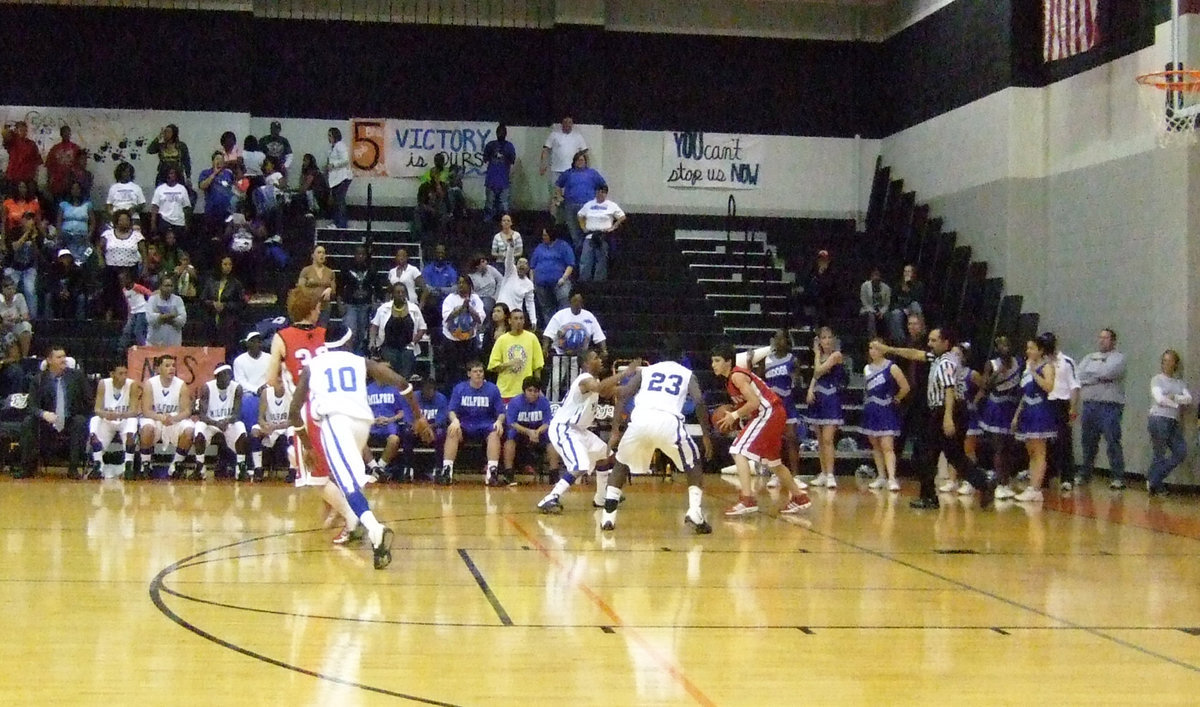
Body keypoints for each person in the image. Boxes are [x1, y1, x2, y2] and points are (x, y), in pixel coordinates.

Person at [290, 322, 431, 569]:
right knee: (352, 483)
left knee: (347, 485)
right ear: (349, 340)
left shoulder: (313, 366)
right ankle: (359, 524)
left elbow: (293, 412)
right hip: (361, 425)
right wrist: (418, 416)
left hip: (335, 421)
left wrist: (307, 445)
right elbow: (402, 383)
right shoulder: (361, 362)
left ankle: (375, 530)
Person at [883, 328, 995, 509]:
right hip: (946, 410)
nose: (929, 344)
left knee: (926, 454)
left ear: (946, 343)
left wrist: (948, 417)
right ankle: (984, 482)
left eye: (934, 341)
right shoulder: (938, 358)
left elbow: (949, 389)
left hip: (947, 410)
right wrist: (889, 349)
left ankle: (929, 496)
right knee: (954, 455)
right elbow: (914, 354)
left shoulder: (946, 363)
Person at [605, 358, 716, 533]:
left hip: (641, 419)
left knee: (621, 464)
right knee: (693, 464)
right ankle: (695, 511)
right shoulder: (687, 374)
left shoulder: (646, 371)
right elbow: (699, 401)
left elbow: (624, 395)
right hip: (668, 422)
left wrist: (615, 431)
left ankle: (608, 518)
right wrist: (706, 435)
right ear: (681, 357)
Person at [711, 343, 812, 516]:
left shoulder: (737, 376)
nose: (713, 364)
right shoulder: (731, 380)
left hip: (769, 412)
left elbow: (754, 403)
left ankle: (747, 499)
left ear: (728, 362)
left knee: (737, 450)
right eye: (712, 361)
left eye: (717, 360)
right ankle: (799, 497)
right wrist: (739, 418)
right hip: (774, 413)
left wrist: (733, 416)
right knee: (773, 462)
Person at [536, 349, 628, 513]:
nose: (600, 360)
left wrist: (634, 385)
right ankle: (551, 497)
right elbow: (600, 388)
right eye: (595, 358)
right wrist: (625, 373)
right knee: (581, 465)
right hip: (564, 428)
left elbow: (609, 390)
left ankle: (601, 498)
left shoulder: (594, 380)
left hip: (578, 430)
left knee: (605, 457)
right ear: (586, 363)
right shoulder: (584, 379)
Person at [18, 345, 89, 479]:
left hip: (70, 419)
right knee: (28, 421)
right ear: (49, 360)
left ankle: (73, 468)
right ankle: (27, 467)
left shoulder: (77, 377)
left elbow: (88, 400)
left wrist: (78, 411)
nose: (64, 360)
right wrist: (43, 413)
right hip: (46, 420)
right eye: (59, 357)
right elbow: (31, 406)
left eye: (64, 356)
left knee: (80, 421)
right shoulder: (38, 379)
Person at [1076, 328, 1127, 489]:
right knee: (1088, 441)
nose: (1102, 340)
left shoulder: (1119, 358)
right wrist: (1096, 377)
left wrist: (1091, 377)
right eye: (1100, 337)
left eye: (1106, 338)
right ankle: (1085, 473)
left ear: (1113, 341)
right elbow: (1079, 375)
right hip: (1090, 404)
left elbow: (1109, 372)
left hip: (1110, 405)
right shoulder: (1089, 357)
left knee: (1112, 440)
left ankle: (1118, 476)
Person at [1010, 335, 1058, 503]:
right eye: (1027, 348)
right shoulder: (1028, 367)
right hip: (1028, 410)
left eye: (1032, 348)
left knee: (1039, 451)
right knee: (1031, 451)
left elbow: (1049, 387)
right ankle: (1032, 486)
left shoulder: (1047, 366)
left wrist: (1033, 373)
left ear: (1041, 350)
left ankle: (1036, 488)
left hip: (1040, 411)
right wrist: (1017, 415)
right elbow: (1024, 395)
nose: (1028, 351)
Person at [441, 361, 505, 485]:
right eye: (475, 371)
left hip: (485, 425)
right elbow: (451, 410)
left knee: (495, 432)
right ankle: (447, 470)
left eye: (481, 371)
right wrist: (454, 420)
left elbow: (501, 412)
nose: (478, 374)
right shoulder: (460, 388)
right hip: (465, 424)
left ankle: (492, 471)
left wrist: (499, 421)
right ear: (469, 374)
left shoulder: (492, 389)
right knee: (452, 430)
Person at [861, 338, 910, 492]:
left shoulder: (891, 366)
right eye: (870, 348)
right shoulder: (867, 368)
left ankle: (892, 478)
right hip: (871, 409)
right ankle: (881, 476)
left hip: (886, 409)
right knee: (875, 444)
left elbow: (905, 387)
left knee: (887, 446)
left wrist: (896, 398)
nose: (873, 351)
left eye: (876, 348)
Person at [137, 354, 196, 479]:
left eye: (173, 366)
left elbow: (186, 411)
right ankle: (146, 464)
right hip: (156, 418)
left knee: (189, 429)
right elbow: (146, 411)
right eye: (167, 366)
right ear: (158, 369)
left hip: (174, 419)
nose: (172, 368)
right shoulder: (150, 384)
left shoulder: (181, 385)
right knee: (147, 428)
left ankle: (176, 465)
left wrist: (173, 418)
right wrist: (161, 418)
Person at [978, 336, 1022, 499]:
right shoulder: (992, 364)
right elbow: (985, 386)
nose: (1005, 347)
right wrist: (998, 373)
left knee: (1010, 447)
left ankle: (1006, 480)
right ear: (997, 349)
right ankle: (999, 483)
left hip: (1012, 406)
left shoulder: (1018, 362)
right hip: (997, 406)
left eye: (1007, 344)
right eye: (1001, 345)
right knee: (999, 446)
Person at [542, 292, 607, 402]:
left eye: (579, 301)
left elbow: (599, 335)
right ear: (570, 301)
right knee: (555, 382)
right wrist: (545, 348)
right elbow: (548, 334)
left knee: (575, 383)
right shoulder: (560, 315)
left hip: (579, 358)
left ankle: (574, 404)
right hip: (561, 355)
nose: (577, 304)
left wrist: (604, 349)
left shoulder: (589, 316)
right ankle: (552, 403)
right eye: (575, 301)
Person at [760, 330, 805, 484]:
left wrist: (796, 379)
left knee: (792, 438)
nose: (779, 342)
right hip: (772, 405)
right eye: (776, 338)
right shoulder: (766, 360)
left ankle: (795, 476)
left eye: (782, 339)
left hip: (787, 403)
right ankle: (776, 474)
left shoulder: (793, 360)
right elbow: (760, 381)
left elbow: (798, 383)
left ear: (788, 341)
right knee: (775, 441)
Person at [1145, 349, 1191, 497]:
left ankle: (1153, 478)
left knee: (1180, 451)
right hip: (1158, 418)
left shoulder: (1179, 382)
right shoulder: (1157, 379)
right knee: (1159, 453)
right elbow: (1159, 399)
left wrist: (1174, 397)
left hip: (1173, 421)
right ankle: (1156, 485)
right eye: (1164, 360)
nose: (1166, 363)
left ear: (1175, 364)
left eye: (1169, 360)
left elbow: (1188, 398)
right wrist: (1176, 403)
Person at [805, 327, 846, 489]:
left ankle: (830, 474)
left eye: (829, 337)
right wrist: (809, 389)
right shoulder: (821, 356)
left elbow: (819, 370)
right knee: (821, 440)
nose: (827, 340)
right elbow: (815, 377)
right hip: (818, 399)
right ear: (819, 340)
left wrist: (816, 353)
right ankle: (823, 472)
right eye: (824, 338)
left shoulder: (836, 355)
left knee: (828, 439)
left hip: (831, 399)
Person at [194, 364, 248, 481]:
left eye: (229, 373)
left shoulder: (237, 388)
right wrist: (216, 423)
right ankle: (200, 466)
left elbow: (237, 413)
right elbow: (202, 415)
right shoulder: (207, 388)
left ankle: (240, 467)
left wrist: (227, 421)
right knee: (199, 429)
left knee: (241, 428)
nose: (228, 377)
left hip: (228, 423)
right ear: (217, 376)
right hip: (210, 423)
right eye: (224, 374)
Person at [88, 362, 141, 480]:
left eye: (126, 373)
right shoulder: (103, 384)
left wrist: (120, 414)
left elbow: (134, 411)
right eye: (120, 373)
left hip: (124, 419)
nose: (124, 376)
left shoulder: (132, 384)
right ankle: (98, 464)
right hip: (108, 420)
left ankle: (128, 465)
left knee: (132, 421)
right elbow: (97, 409)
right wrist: (106, 414)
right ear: (112, 374)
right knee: (94, 420)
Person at [502, 376, 556, 485]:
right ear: (524, 391)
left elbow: (548, 422)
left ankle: (554, 474)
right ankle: (508, 474)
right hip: (520, 431)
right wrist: (528, 432)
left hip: (538, 431)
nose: (533, 394)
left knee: (552, 443)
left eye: (535, 391)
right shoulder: (515, 402)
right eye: (529, 391)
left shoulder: (544, 402)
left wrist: (536, 432)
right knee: (509, 441)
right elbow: (511, 423)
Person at [1044, 332, 1081, 492]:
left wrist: (1073, 407)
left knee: (1064, 441)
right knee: (1044, 440)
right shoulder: (1042, 362)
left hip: (1061, 402)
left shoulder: (1067, 362)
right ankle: (1045, 474)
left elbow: (1074, 385)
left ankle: (1067, 477)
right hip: (1046, 403)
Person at [369, 282, 426, 378]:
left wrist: (413, 343)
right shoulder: (383, 308)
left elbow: (422, 328)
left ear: (406, 294)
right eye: (397, 292)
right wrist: (372, 341)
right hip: (388, 346)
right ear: (392, 294)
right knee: (391, 361)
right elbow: (374, 326)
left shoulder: (414, 308)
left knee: (407, 359)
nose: (400, 294)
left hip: (407, 347)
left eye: (403, 292)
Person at [488, 307, 544, 402]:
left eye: (521, 318)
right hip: (505, 391)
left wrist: (537, 388)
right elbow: (493, 367)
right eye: (516, 318)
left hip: (526, 392)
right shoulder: (502, 340)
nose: (519, 321)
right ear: (509, 321)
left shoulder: (532, 338)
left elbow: (537, 366)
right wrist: (509, 363)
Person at [556, 151, 607, 253]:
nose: (580, 162)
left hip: (587, 207)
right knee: (574, 233)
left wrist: (600, 200)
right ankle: (579, 256)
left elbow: (603, 186)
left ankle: (588, 255)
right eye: (578, 160)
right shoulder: (568, 173)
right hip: (571, 206)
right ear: (574, 162)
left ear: (585, 161)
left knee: (588, 232)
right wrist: (559, 196)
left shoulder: (592, 173)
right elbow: (558, 184)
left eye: (582, 160)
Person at [438, 275, 484, 386]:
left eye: (463, 283)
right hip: (451, 340)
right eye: (459, 283)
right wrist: (461, 308)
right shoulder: (450, 298)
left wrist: (470, 308)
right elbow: (447, 318)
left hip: (469, 340)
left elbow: (480, 319)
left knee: (468, 369)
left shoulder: (475, 299)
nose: (461, 285)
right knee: (452, 372)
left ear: (469, 285)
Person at [540, 116, 588, 221]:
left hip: (571, 173)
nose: (567, 125)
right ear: (562, 124)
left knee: (569, 197)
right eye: (565, 122)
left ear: (573, 124)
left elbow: (584, 153)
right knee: (555, 197)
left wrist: (586, 169)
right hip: (556, 171)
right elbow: (545, 150)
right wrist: (543, 164)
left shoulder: (578, 137)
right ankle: (553, 221)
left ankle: (568, 221)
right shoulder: (554, 135)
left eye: (570, 122)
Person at [401, 377, 449, 481]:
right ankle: (408, 467)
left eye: (431, 389)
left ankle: (439, 467)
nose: (429, 391)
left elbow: (441, 420)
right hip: (417, 429)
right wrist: (421, 428)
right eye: (426, 389)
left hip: (433, 429)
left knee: (441, 433)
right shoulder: (413, 397)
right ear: (421, 389)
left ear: (435, 389)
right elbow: (408, 417)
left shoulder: (441, 398)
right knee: (407, 432)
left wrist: (427, 428)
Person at [576, 184, 625, 282]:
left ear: (606, 193)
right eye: (598, 191)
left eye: (602, 192)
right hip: (590, 235)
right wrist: (583, 227)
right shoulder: (589, 204)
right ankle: (584, 281)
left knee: (601, 261)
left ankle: (599, 282)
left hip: (603, 236)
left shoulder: (611, 205)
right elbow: (580, 215)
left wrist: (613, 227)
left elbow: (622, 217)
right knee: (585, 260)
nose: (600, 194)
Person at [529, 226, 575, 325]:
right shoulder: (539, 247)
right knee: (546, 308)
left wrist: (563, 278)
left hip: (560, 282)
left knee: (563, 305)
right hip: (541, 283)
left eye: (545, 235)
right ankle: (550, 330)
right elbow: (532, 266)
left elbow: (570, 264)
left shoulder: (563, 246)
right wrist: (532, 282)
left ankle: (564, 326)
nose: (543, 237)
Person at [365, 371, 406, 481]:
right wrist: (373, 420)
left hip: (389, 425)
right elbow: (360, 410)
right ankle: (374, 467)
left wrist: (390, 419)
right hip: (371, 424)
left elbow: (403, 412)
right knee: (357, 440)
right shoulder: (367, 390)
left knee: (394, 439)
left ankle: (379, 468)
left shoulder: (395, 389)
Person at [340, 246, 381, 355]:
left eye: (363, 254)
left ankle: (357, 353)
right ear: (354, 255)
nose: (360, 256)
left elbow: (378, 287)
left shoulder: (371, 269)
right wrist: (340, 304)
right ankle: (348, 353)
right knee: (351, 330)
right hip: (350, 305)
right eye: (358, 254)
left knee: (361, 332)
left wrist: (375, 303)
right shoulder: (347, 268)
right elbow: (339, 287)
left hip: (365, 305)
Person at [251, 378, 295, 481]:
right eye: (278, 381)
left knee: (293, 432)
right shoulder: (266, 393)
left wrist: (275, 427)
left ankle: (293, 470)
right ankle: (258, 469)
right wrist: (264, 426)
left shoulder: (291, 393)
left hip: (285, 427)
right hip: (270, 426)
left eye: (283, 382)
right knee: (255, 431)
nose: (281, 384)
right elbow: (260, 418)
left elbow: (294, 420)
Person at [201, 257, 245, 358]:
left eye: (230, 264)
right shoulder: (210, 281)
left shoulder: (236, 283)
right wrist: (213, 304)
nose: (228, 267)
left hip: (229, 322)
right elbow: (203, 299)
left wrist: (225, 306)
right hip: (211, 319)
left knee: (227, 349)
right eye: (225, 264)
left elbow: (241, 303)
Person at [233, 330, 270, 447]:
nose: (256, 344)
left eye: (259, 341)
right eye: (253, 341)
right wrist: (256, 389)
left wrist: (264, 388)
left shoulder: (269, 358)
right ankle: (252, 435)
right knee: (248, 400)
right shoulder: (239, 360)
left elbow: (273, 376)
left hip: (267, 391)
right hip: (249, 393)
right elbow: (240, 381)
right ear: (248, 344)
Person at [496, 239, 536, 330]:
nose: (522, 265)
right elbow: (509, 260)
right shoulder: (510, 272)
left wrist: (533, 320)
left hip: (515, 316)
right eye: (520, 262)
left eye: (525, 263)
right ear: (516, 265)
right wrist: (511, 246)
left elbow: (530, 303)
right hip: (501, 311)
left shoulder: (529, 284)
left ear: (528, 268)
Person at [483, 124, 517, 221]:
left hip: (503, 179)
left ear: (506, 134)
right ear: (496, 133)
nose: (501, 134)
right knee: (489, 202)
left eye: (503, 132)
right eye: (499, 132)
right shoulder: (490, 145)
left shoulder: (509, 146)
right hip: (492, 179)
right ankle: (489, 218)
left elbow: (512, 160)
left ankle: (505, 220)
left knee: (504, 204)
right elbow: (485, 159)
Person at [198, 152, 236, 240]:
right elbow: (202, 186)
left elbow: (234, 188)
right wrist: (214, 173)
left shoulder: (228, 174)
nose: (219, 161)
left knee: (226, 237)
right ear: (212, 161)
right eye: (217, 159)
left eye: (221, 159)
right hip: (211, 211)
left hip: (227, 211)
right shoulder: (206, 173)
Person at [298, 245, 336, 326]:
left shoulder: (330, 272)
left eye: (323, 253)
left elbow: (334, 290)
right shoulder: (306, 270)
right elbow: (300, 288)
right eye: (319, 252)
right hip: (310, 308)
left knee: (321, 331)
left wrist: (330, 289)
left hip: (324, 308)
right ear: (313, 256)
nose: (322, 255)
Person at [57, 180, 94, 262]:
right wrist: (59, 234)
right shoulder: (64, 204)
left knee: (87, 252)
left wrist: (90, 234)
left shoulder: (87, 204)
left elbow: (92, 222)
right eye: (73, 189)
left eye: (77, 189)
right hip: (66, 236)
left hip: (82, 236)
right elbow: (59, 221)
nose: (75, 191)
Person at [887, 264, 925, 344]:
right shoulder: (898, 285)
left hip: (912, 306)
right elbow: (893, 301)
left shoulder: (918, 285)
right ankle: (900, 341)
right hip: (900, 308)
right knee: (895, 313)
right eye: (905, 271)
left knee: (915, 306)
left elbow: (917, 299)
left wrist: (909, 287)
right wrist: (902, 309)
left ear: (913, 273)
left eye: (909, 271)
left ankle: (919, 335)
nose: (906, 273)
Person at [146, 275, 187, 347]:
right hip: (154, 343)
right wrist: (169, 316)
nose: (169, 288)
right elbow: (150, 318)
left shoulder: (178, 300)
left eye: (171, 286)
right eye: (166, 286)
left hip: (174, 343)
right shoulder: (152, 299)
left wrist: (164, 318)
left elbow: (182, 320)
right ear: (160, 286)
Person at [46, 125, 84, 201]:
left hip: (72, 183)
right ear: (61, 134)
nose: (66, 134)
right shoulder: (55, 149)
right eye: (64, 133)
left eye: (68, 133)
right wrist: (49, 182)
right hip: (57, 184)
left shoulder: (76, 148)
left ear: (70, 134)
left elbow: (81, 165)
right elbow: (49, 167)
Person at [149, 166, 191, 236]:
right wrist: (153, 223)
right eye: (169, 173)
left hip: (179, 222)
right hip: (164, 221)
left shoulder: (182, 189)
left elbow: (186, 207)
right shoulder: (160, 189)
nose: (171, 175)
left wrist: (187, 224)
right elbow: (155, 207)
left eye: (173, 173)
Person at [47, 249, 87, 321]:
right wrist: (59, 292)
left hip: (72, 294)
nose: (65, 259)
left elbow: (79, 284)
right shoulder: (53, 269)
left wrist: (69, 292)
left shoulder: (77, 270)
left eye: (67, 257)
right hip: (57, 294)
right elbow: (51, 283)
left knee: (81, 298)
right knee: (48, 296)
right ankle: (49, 321)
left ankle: (80, 322)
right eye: (63, 257)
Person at [115, 270, 150, 352]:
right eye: (120, 280)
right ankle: (120, 348)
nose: (122, 282)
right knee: (127, 330)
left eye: (123, 280)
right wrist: (129, 315)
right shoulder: (124, 290)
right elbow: (128, 303)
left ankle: (143, 348)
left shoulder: (136, 287)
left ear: (128, 279)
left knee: (138, 330)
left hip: (142, 311)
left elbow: (148, 293)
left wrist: (148, 305)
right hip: (133, 312)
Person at [0, 277, 33, 359]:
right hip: (2, 327)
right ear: (3, 289)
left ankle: (25, 358)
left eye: (13, 289)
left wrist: (19, 318)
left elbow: (26, 316)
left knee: (26, 326)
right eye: (8, 289)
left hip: (15, 325)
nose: (11, 291)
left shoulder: (19, 297)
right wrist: (3, 321)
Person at [326, 127, 351, 228]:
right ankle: (337, 222)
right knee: (337, 201)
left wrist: (333, 165)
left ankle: (341, 224)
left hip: (342, 178)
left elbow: (345, 160)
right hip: (336, 179)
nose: (329, 138)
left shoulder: (340, 145)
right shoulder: (333, 147)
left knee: (339, 201)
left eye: (330, 136)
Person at [2, 122, 42, 186]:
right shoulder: (12, 141)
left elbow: (37, 161)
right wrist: (12, 130)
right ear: (16, 130)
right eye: (21, 130)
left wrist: (34, 177)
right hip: (13, 176)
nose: (23, 132)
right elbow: (5, 134)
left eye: (25, 130)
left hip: (27, 176)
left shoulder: (31, 144)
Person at [859, 267, 891, 340]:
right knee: (871, 316)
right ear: (871, 276)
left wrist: (882, 311)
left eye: (877, 275)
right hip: (867, 309)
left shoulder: (886, 288)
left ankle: (888, 339)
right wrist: (874, 311)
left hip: (881, 310)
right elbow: (864, 301)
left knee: (888, 315)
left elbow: (887, 303)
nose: (876, 277)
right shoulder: (865, 286)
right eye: (874, 275)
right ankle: (872, 338)